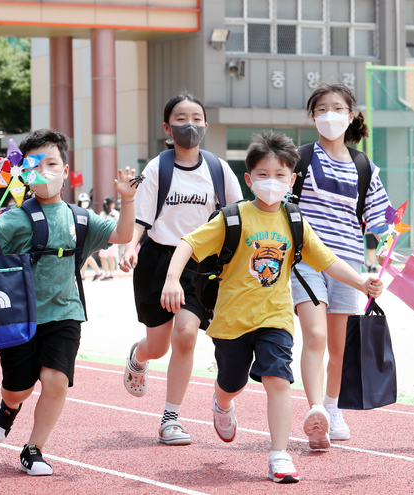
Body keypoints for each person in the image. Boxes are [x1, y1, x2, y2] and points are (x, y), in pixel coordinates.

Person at [161, 132, 384, 482]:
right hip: (232, 321)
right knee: (231, 382)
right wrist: (173, 279)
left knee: (278, 379)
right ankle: (222, 402)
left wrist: (362, 282)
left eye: (280, 175)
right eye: (263, 175)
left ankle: (278, 455)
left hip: (276, 318)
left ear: (292, 180)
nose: (271, 182)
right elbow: (188, 244)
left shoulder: (295, 221)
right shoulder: (233, 218)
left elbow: (327, 261)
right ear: (249, 180)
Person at [0, 129, 138, 475]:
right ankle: (7, 406)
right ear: (24, 175)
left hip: (65, 313)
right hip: (20, 317)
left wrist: (127, 200)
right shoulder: (14, 218)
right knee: (19, 389)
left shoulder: (80, 218)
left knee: (56, 379)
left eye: (52, 163)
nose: (44, 171)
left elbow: (122, 234)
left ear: (65, 168)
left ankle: (33, 449)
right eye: (34, 166)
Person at [119, 93, 243, 446]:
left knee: (186, 335)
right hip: (158, 261)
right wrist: (130, 248)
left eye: (196, 118)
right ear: (167, 127)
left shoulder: (218, 169)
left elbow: (238, 215)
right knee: (158, 347)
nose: (189, 125)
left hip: (199, 265)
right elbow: (142, 218)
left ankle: (170, 418)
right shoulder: (158, 167)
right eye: (180, 118)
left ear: (205, 125)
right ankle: (139, 355)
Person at [291, 83, 391, 449]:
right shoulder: (299, 159)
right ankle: (316, 409)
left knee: (340, 347)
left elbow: (380, 221)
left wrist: (386, 247)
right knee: (315, 336)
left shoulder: (365, 166)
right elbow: (282, 208)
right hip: (306, 261)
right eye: (320, 109)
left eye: (336, 108)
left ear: (351, 116)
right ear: (312, 116)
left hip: (347, 264)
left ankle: (333, 408)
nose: (328, 115)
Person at [78, 192, 104, 281]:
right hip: (80, 236)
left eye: (86, 201)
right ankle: (83, 275)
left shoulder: (90, 212)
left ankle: (98, 272)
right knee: (84, 256)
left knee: (86, 256)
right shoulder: (77, 211)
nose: (84, 203)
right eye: (82, 201)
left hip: (87, 236)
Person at [98, 196, 120, 280]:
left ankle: (109, 273)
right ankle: (109, 273)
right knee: (107, 257)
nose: (113, 205)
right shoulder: (112, 213)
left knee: (108, 256)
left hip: (108, 238)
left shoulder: (104, 214)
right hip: (110, 238)